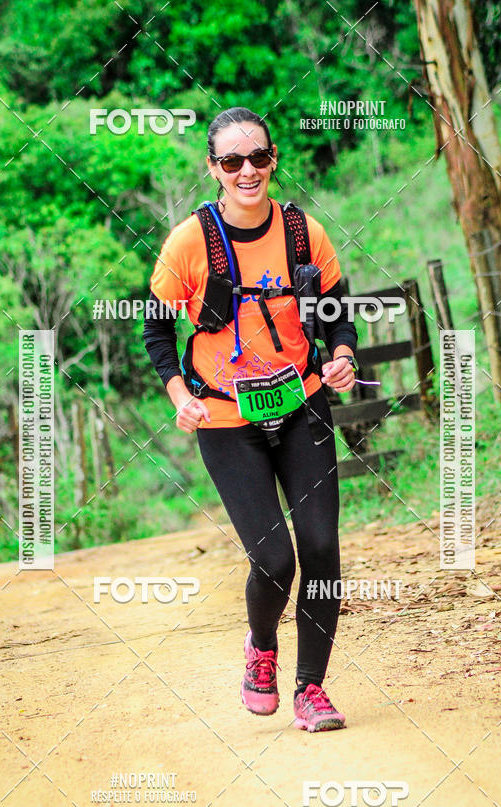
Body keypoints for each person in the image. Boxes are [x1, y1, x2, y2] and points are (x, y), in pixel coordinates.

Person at [143, 107, 358, 732]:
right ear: (212, 168)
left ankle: (310, 689)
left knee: (320, 547)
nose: (247, 171)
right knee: (274, 559)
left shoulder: (302, 233)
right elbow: (156, 328)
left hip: (301, 402)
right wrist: (178, 392)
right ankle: (260, 645)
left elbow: (339, 310)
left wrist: (342, 355)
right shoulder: (189, 242)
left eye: (258, 158)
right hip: (224, 416)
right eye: (231, 161)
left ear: (273, 161)